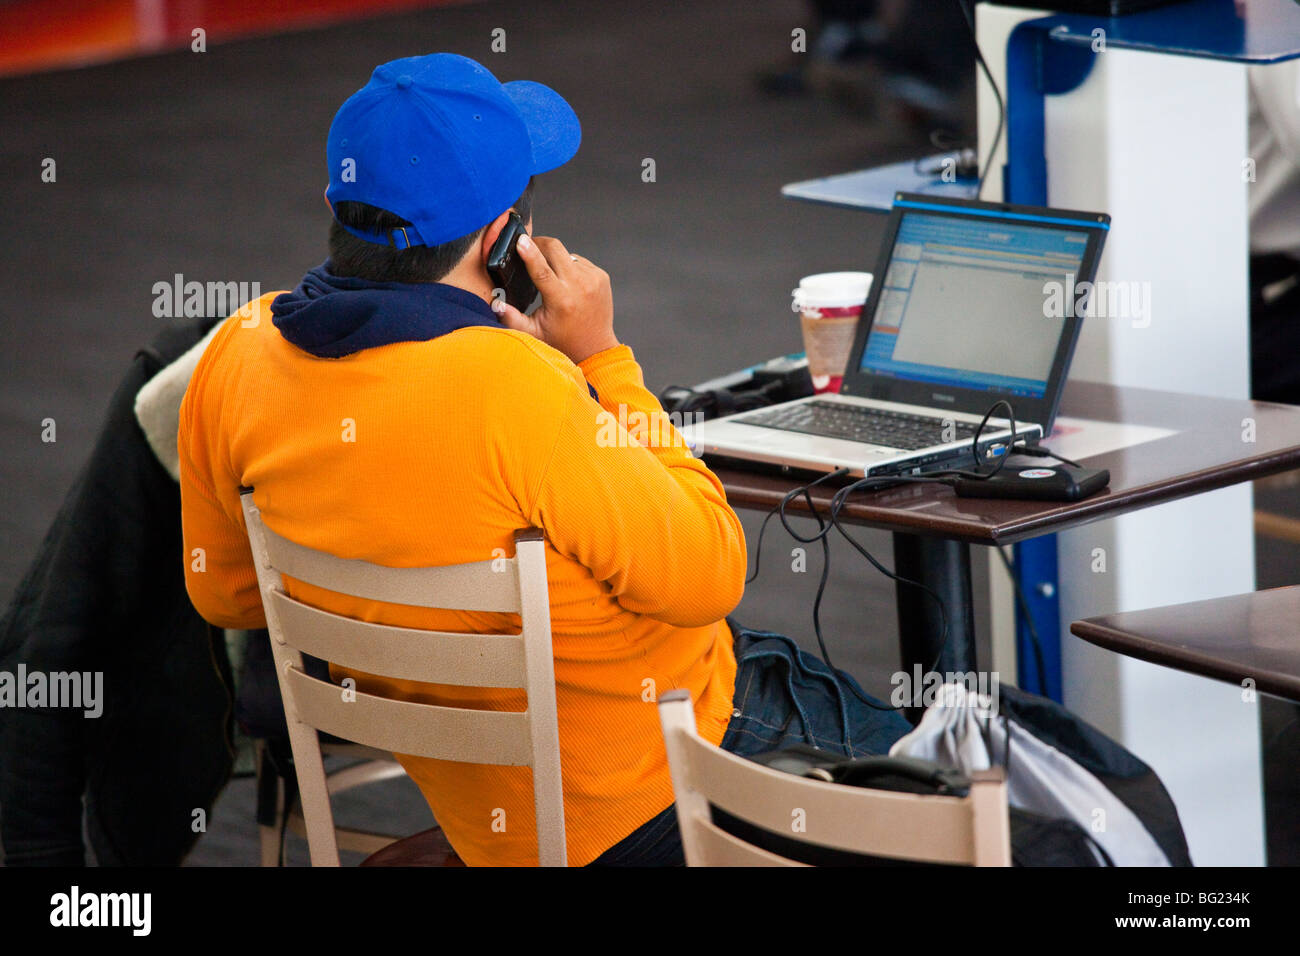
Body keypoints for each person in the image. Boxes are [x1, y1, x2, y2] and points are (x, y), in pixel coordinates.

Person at [178, 52, 909, 867]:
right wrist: (600, 361)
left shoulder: (237, 352)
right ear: (504, 241)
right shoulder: (515, 386)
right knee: (1016, 774)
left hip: (477, 809)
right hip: (651, 792)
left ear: (335, 204)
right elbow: (709, 575)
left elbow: (226, 593)